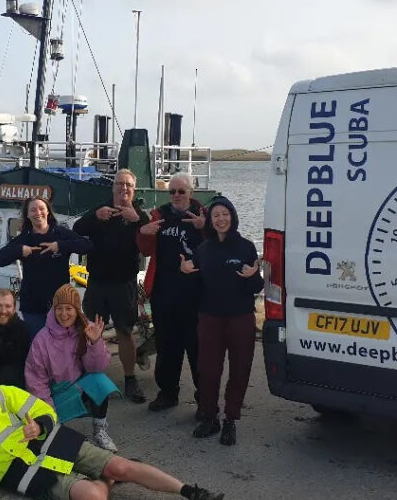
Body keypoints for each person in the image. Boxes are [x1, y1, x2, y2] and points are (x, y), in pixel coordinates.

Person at [0, 362, 223, 500]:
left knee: (124, 467)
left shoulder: (1, 393)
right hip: (28, 475)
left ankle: (191, 492)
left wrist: (39, 427)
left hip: (53, 442)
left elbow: (43, 410)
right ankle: (107, 478)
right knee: (94, 498)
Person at [182, 196, 264, 445]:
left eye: (225, 214)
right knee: (208, 371)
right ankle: (210, 417)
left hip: (240, 318)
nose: (221, 219)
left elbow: (257, 285)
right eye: (216, 215)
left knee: (239, 370)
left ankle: (230, 420)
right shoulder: (203, 250)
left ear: (232, 216)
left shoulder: (246, 247)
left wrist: (253, 277)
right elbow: (195, 285)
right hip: (210, 318)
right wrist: (184, 271)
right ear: (211, 220)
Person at [72, 168, 150, 403]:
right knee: (90, 333)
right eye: (120, 184)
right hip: (97, 283)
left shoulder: (139, 216)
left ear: (133, 190)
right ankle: (91, 380)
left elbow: (150, 242)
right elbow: (77, 229)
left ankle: (130, 379)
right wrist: (95, 216)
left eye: (128, 185)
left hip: (124, 283)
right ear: (113, 187)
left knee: (125, 332)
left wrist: (136, 221)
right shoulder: (101, 209)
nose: (124, 188)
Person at [137, 173, 206, 413]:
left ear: (191, 193)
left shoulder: (203, 215)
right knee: (167, 347)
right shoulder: (160, 215)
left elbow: (219, 245)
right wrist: (143, 232)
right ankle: (168, 392)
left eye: (181, 191)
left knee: (198, 348)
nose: (176, 196)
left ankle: (204, 398)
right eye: (172, 191)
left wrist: (203, 227)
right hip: (164, 293)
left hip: (196, 295)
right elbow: (145, 251)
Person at [25, 283, 118, 451]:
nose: (64, 314)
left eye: (69, 308)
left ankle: (99, 431)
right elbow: (35, 379)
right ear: (53, 309)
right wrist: (48, 413)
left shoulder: (87, 328)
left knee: (100, 380)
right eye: (59, 308)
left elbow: (97, 368)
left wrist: (96, 342)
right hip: (55, 394)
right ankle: (56, 427)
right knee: (54, 437)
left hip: (78, 387)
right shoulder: (42, 339)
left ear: (77, 310)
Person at [0, 196, 93, 339]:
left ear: (48, 212)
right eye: (33, 210)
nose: (37, 213)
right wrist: (19, 250)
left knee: (63, 346)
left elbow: (87, 245)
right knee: (37, 345)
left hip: (61, 305)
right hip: (33, 306)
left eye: (41, 209)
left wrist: (60, 246)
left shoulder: (60, 234)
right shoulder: (24, 238)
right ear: (27, 215)